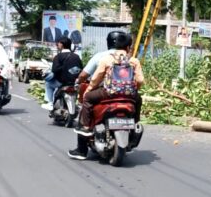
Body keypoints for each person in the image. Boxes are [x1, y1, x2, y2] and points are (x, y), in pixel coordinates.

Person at [68, 31, 144, 160]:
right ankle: (135, 121)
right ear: (127, 47)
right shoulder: (133, 60)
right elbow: (140, 80)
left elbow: (95, 78)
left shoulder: (106, 58)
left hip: (108, 93)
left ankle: (86, 129)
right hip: (129, 96)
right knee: (138, 99)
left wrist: (89, 90)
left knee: (87, 99)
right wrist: (132, 90)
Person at [41, 36, 83, 110]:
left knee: (48, 84)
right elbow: (80, 68)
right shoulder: (76, 56)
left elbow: (54, 70)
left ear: (62, 44)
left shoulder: (58, 56)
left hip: (61, 82)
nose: (58, 45)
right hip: (74, 83)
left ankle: (50, 103)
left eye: (59, 43)